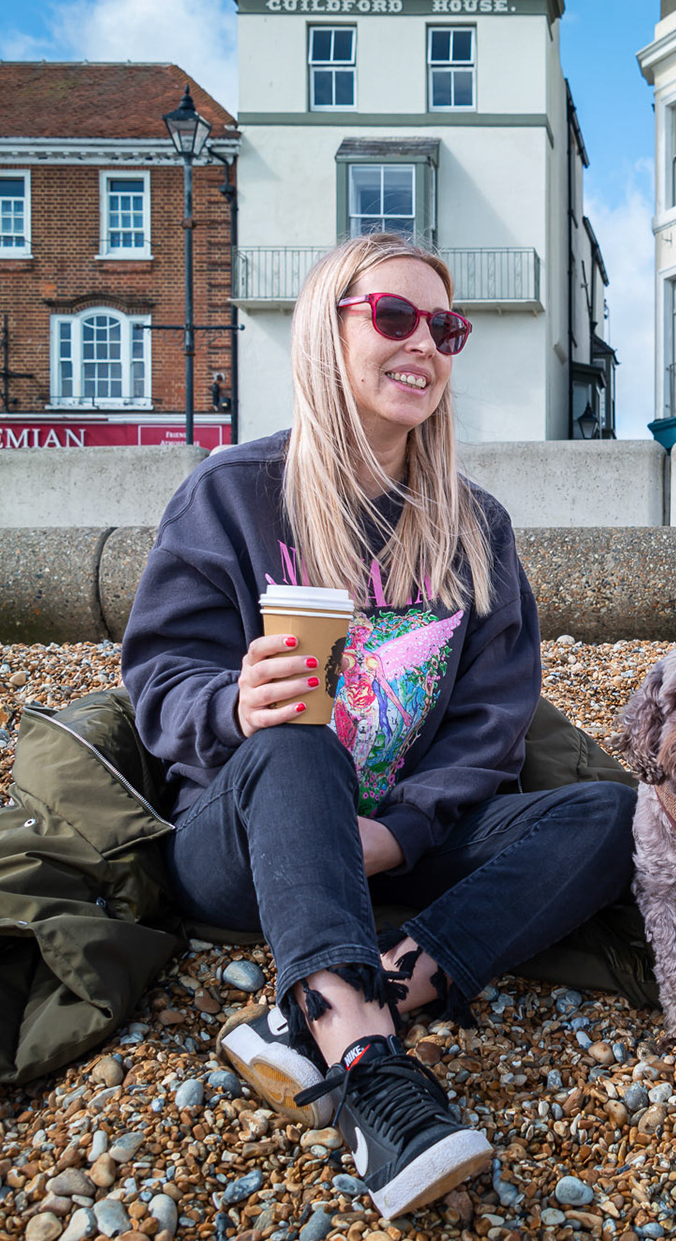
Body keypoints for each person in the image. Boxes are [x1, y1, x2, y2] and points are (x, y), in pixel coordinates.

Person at [120, 233, 635, 1220]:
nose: (426, 346)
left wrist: (398, 830)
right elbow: (156, 677)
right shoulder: (231, 494)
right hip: (246, 843)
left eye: (445, 327)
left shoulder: (473, 524)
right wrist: (233, 702)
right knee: (300, 733)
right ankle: (368, 1068)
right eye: (395, 317)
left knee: (611, 815)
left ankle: (322, 1005)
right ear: (327, 331)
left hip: (395, 844)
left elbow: (493, 720)